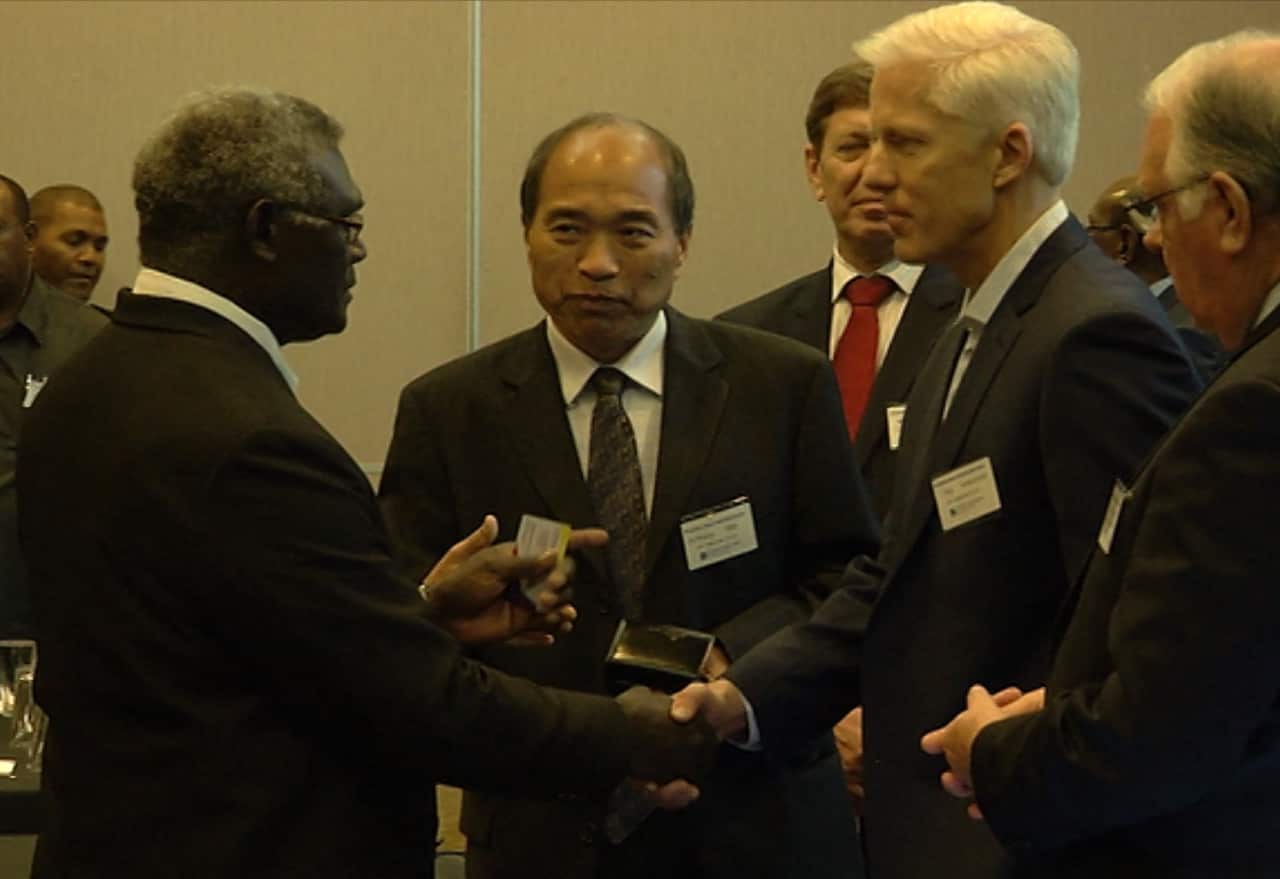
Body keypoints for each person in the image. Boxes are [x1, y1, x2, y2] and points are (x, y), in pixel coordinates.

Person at [17, 89, 715, 879]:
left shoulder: (88, 381)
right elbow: (418, 701)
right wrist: (631, 733)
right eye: (346, 225)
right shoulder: (253, 437)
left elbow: (256, 641)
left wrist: (417, 610)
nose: (359, 252)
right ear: (266, 230)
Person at [670, 4, 1201, 878]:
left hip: (1023, 835)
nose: (874, 175)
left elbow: (1130, 634)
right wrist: (741, 698)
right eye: (867, 143)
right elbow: (895, 568)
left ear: (1009, 154)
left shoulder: (1095, 333)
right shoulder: (966, 315)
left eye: (906, 145)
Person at [379, 112, 879, 879]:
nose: (599, 263)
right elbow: (402, 633)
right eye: (568, 229)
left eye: (635, 233)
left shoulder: (780, 385)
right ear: (526, 236)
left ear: (683, 243)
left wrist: (727, 664)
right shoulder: (450, 410)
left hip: (759, 821)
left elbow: (846, 580)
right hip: (543, 832)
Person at [922, 29, 1280, 877]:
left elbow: (1161, 743)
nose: (1151, 240)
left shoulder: (1251, 414)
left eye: (1158, 205)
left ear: (1228, 211)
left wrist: (993, 749)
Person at [718, 58, 962, 522]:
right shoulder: (747, 338)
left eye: (899, 151)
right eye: (852, 149)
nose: (874, 174)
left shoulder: (979, 320)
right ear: (814, 169)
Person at [0, 175, 106, 639]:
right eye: (76, 240)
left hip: (55, 624)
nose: (89, 258)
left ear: (26, 239)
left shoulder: (94, 343)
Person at [1086, 174, 1222, 377]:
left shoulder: (1174, 336)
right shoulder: (1181, 316)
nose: (1087, 242)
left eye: (1093, 228)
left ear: (1125, 243)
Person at [29, 185, 109, 303]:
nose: (91, 258)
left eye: (99, 247)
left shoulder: (101, 321)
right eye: (74, 241)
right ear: (29, 238)